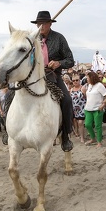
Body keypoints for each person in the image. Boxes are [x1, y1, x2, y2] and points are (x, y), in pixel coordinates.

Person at [31, 10, 75, 151]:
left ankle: (66, 136)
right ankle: (10, 131)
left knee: (67, 100)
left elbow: (70, 60)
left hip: (52, 76)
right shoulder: (32, 39)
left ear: (50, 23)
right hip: (34, 77)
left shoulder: (59, 38)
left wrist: (58, 63)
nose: (41, 25)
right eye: (38, 23)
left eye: (43, 23)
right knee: (10, 95)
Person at [84, 71, 106, 147]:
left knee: (98, 126)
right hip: (88, 108)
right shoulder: (89, 85)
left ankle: (99, 141)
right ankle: (92, 138)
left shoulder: (99, 85)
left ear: (92, 78)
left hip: (97, 109)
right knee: (87, 124)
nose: (86, 79)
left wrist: (103, 104)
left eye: (87, 78)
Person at [70, 73, 87, 143]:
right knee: (78, 123)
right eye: (73, 81)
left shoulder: (83, 88)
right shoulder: (71, 90)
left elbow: (87, 98)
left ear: (79, 80)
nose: (75, 82)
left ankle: (82, 138)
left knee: (80, 122)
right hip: (75, 109)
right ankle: (81, 135)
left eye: (77, 80)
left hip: (82, 107)